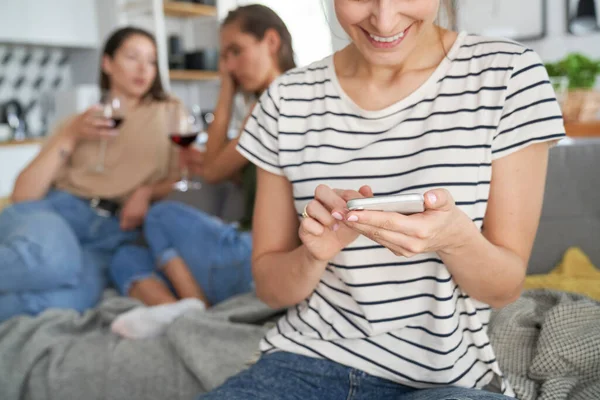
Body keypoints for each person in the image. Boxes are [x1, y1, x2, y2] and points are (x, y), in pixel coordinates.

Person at [198, 0, 566, 399]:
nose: (384, 19)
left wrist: (455, 240)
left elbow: (505, 288)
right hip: (304, 362)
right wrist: (314, 254)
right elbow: (270, 289)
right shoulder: (286, 99)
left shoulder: (508, 75)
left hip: (442, 381)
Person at [108, 4, 296, 339]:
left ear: (270, 41)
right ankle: (182, 310)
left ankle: (195, 307)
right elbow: (231, 175)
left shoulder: (279, 99)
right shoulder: (268, 102)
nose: (229, 66)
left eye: (235, 52)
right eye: (224, 58)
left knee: (161, 216)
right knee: (127, 256)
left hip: (260, 257)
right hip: (245, 256)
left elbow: (210, 172)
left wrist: (224, 89)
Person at [0, 27, 179, 323]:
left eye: (151, 60)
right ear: (107, 64)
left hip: (112, 234)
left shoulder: (170, 112)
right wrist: (69, 136)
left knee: (63, 302)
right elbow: (22, 195)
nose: (143, 68)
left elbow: (177, 175)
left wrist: (146, 191)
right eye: (133, 57)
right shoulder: (78, 120)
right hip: (60, 211)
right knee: (49, 262)